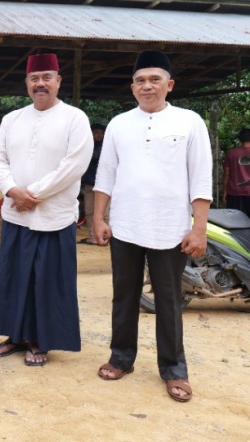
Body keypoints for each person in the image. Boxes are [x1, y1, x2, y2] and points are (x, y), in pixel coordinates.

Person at [94, 51, 212, 403]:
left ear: (169, 85)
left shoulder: (189, 121)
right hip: (125, 226)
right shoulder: (118, 124)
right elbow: (106, 175)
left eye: (154, 80)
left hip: (170, 228)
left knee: (169, 300)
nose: (147, 86)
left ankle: (174, 369)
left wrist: (199, 228)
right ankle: (121, 358)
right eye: (140, 81)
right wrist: (99, 218)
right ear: (132, 87)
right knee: (124, 296)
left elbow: (201, 177)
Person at [0, 53, 93, 367]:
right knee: (14, 277)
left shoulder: (74, 118)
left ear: (58, 81)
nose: (40, 84)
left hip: (54, 215)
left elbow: (74, 165)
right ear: (27, 83)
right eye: (34, 78)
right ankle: (15, 335)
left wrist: (33, 194)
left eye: (47, 77)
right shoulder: (12, 119)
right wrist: (12, 190)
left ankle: (39, 340)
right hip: (16, 213)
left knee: (47, 280)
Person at [79, 123, 107, 245]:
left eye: (101, 133)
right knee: (89, 210)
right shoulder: (87, 145)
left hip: (103, 185)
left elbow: (94, 156)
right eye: (96, 132)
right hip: (89, 183)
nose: (99, 135)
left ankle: (104, 237)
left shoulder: (106, 147)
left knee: (103, 212)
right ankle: (93, 235)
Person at [223, 128, 250, 216]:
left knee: (234, 220)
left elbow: (227, 174)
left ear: (239, 139)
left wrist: (225, 192)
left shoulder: (231, 153)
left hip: (235, 194)